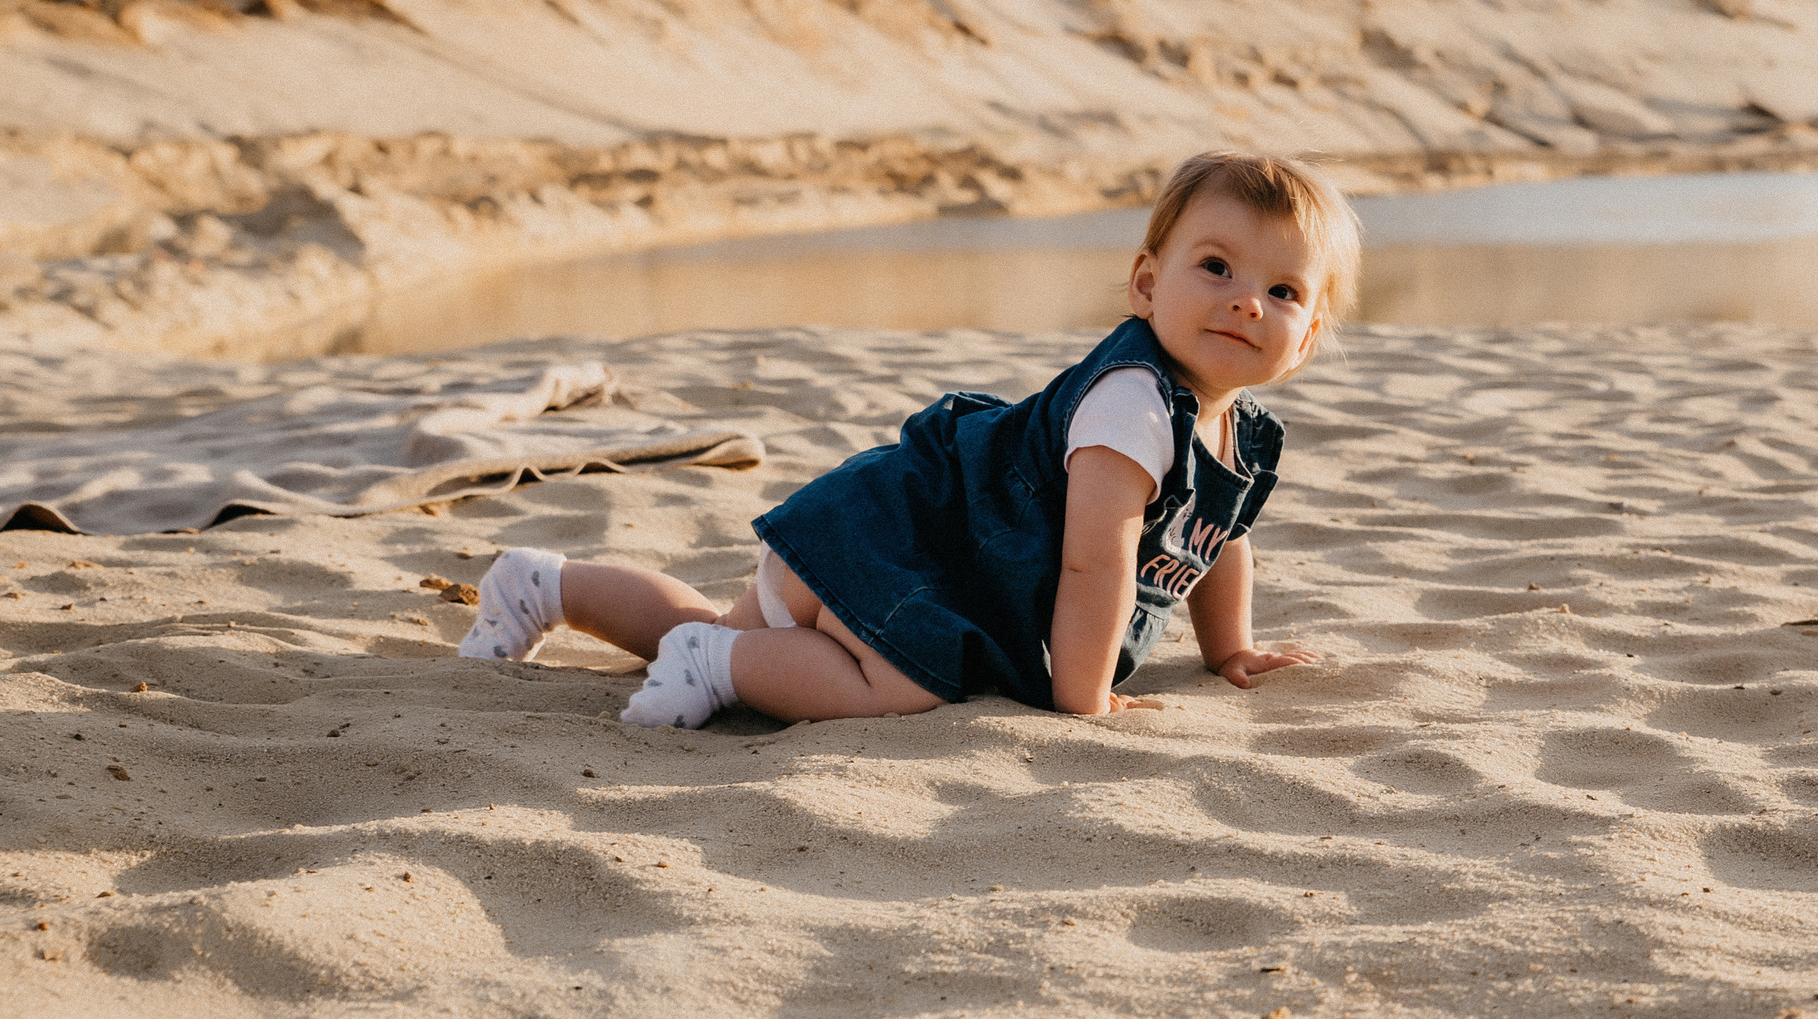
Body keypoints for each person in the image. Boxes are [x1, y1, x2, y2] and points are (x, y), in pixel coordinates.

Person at [455, 150, 1359, 721]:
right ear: (1147, 285)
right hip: (908, 547)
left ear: (1309, 335)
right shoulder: (1132, 405)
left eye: (1283, 291)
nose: (1248, 301)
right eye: (1217, 267)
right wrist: (1083, 699)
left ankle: (546, 586)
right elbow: (1096, 562)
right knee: (906, 682)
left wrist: (1228, 648)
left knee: (713, 619)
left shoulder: (1236, 434)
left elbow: (1214, 539)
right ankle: (723, 667)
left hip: (899, 542)